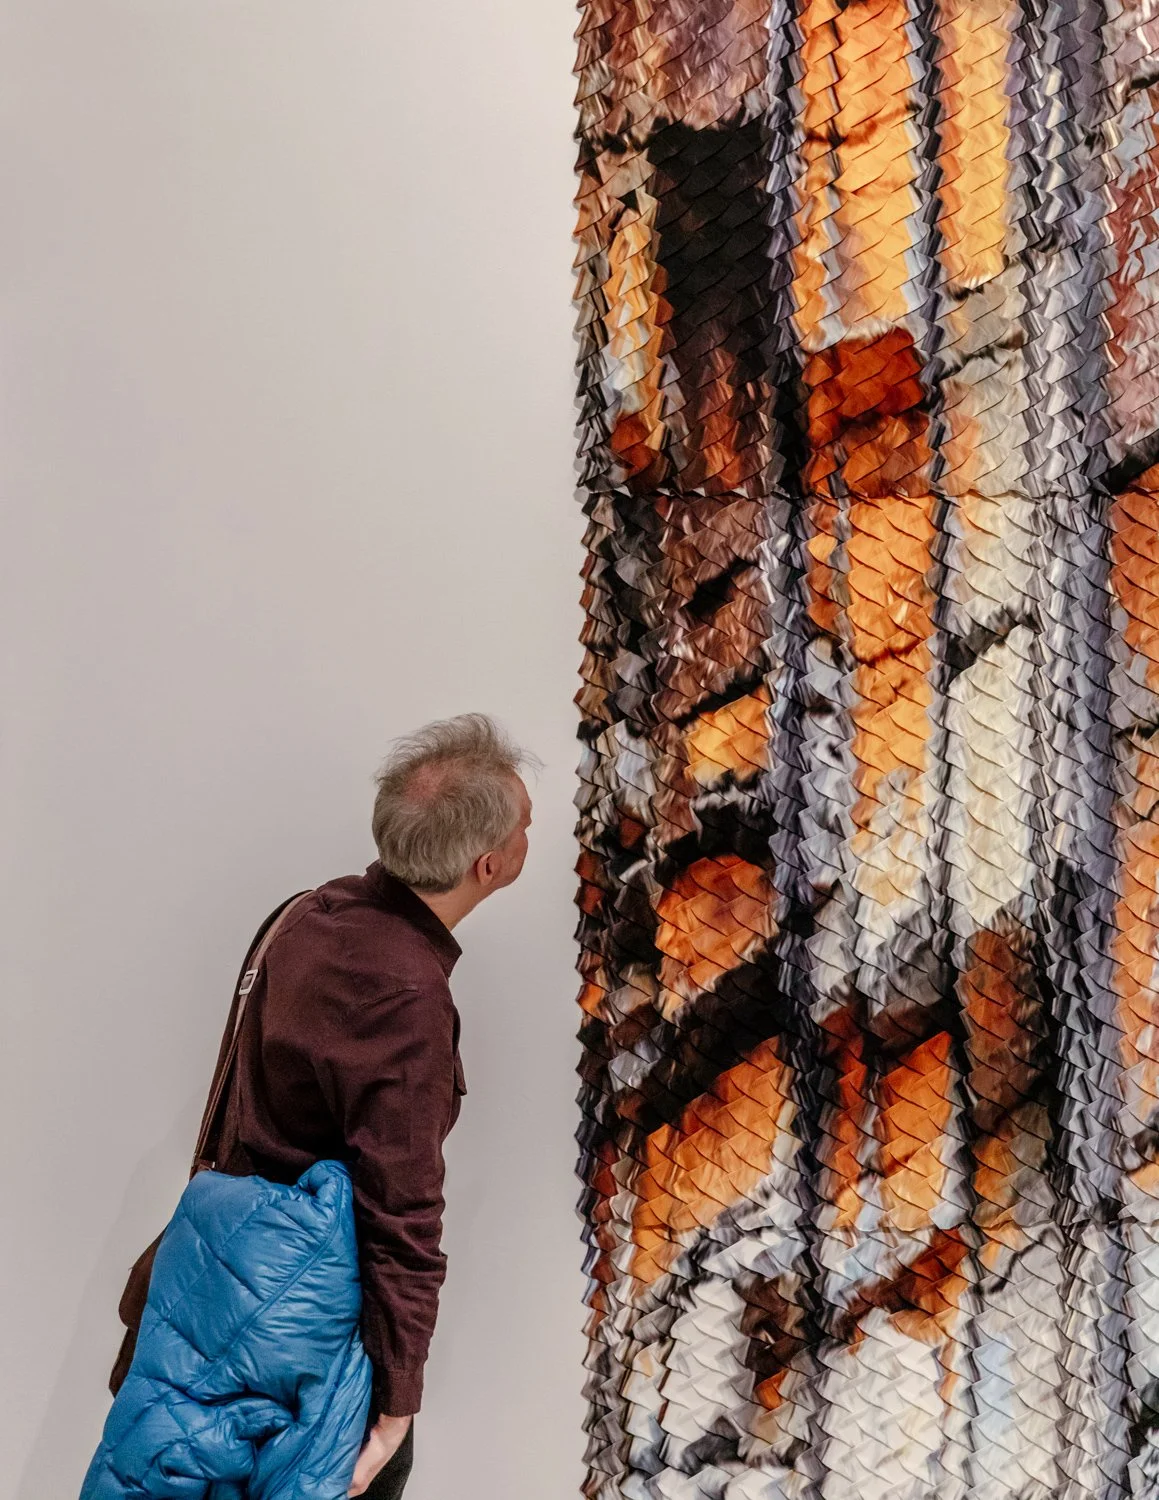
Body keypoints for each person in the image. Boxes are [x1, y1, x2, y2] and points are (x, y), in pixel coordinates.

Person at [216, 713, 534, 1498]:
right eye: (528, 824)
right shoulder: (404, 993)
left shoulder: (305, 916)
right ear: (489, 865)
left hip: (229, 1299)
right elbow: (400, 1208)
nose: (535, 831)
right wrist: (395, 1403)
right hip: (320, 1341)